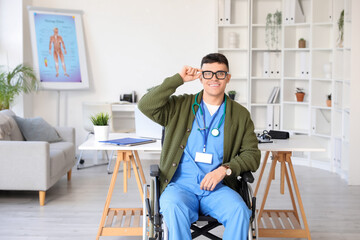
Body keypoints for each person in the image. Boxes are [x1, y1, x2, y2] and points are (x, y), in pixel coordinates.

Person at [138, 53, 260, 240]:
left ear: (228, 78)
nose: (214, 79)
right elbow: (146, 105)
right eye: (208, 73)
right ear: (201, 77)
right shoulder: (179, 106)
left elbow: (252, 154)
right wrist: (178, 79)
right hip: (180, 187)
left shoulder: (240, 115)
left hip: (218, 188)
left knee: (239, 211)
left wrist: (225, 170)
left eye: (220, 74)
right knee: (172, 207)